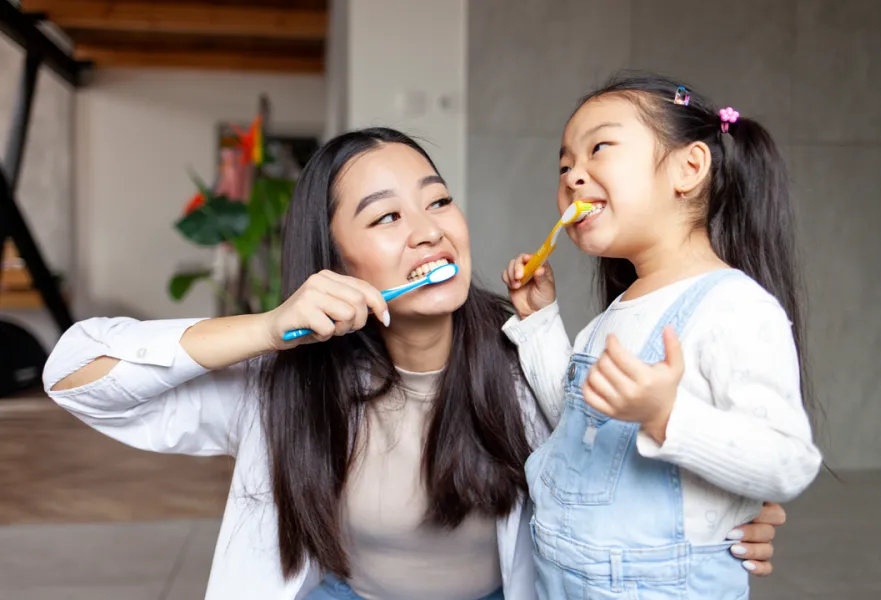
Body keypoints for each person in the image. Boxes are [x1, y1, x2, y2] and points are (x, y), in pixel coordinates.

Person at [44, 127, 784, 600]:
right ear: (334, 261)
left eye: (439, 202)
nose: (431, 233)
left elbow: (629, 464)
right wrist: (269, 329)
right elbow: (77, 376)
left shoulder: (531, 349)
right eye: (388, 217)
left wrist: (723, 508)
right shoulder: (286, 382)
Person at [502, 73, 822, 599]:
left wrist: (668, 416)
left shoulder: (734, 308)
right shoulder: (616, 313)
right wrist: (539, 322)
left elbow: (789, 461)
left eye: (598, 148)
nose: (573, 177)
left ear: (689, 167)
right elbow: (578, 428)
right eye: (564, 166)